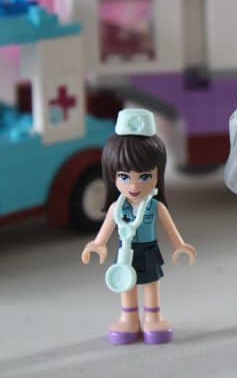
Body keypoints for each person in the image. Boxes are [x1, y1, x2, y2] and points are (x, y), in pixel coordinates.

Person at [81, 108, 196, 345]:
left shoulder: (155, 207)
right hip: (125, 252)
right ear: (112, 176)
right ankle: (129, 318)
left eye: (144, 176)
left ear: (158, 175)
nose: (134, 186)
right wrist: (98, 244)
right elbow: (104, 232)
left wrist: (180, 245)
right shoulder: (116, 208)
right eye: (124, 176)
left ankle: (153, 317)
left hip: (149, 250)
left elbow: (170, 229)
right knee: (126, 284)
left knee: (151, 284)